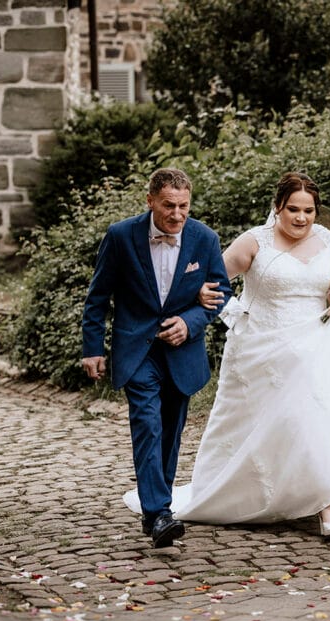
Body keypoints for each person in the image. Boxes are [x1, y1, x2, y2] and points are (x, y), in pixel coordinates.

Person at [124, 171, 330, 537]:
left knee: (321, 416)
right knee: (297, 417)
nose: (301, 218)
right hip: (265, 345)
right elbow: (206, 279)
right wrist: (222, 309)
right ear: (277, 208)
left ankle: (325, 500)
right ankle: (311, 500)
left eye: (309, 211)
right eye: (293, 209)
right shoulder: (254, 243)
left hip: (322, 341)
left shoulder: (329, 241)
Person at [82, 168, 231, 548]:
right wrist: (93, 348)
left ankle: (154, 513)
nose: (177, 215)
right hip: (137, 349)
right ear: (150, 201)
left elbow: (221, 293)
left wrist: (191, 321)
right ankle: (160, 510)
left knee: (170, 431)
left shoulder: (204, 238)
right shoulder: (120, 236)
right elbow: (98, 297)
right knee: (147, 424)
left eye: (184, 206)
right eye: (169, 206)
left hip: (182, 352)